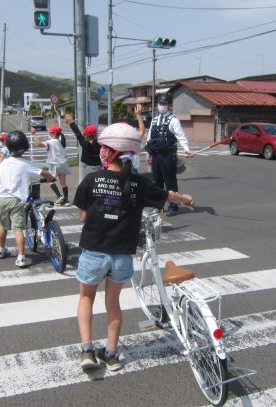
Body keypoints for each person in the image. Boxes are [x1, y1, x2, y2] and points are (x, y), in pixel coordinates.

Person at [73, 122, 194, 371]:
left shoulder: (92, 179)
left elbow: (83, 217)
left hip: (94, 251)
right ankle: (111, 354)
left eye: (105, 148)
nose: (101, 151)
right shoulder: (140, 183)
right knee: (113, 304)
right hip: (121, 256)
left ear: (112, 152)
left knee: (86, 298)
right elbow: (167, 195)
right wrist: (186, 198)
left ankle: (87, 351)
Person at [0, 130, 53, 268]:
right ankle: (21, 257)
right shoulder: (25, 163)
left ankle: (1, 250)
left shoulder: (2, 164)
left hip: (2, 198)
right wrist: (50, 176)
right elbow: (41, 173)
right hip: (16, 200)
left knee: (3, 226)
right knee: (18, 228)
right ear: (25, 147)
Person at [146, 95, 195, 216]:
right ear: (157, 104)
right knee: (157, 182)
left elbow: (181, 136)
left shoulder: (173, 119)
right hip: (156, 155)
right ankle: (158, 206)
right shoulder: (154, 120)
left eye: (164, 103)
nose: (161, 105)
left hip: (168, 156)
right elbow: (149, 138)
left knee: (170, 182)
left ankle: (173, 205)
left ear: (168, 105)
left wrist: (187, 149)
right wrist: (148, 154)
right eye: (159, 103)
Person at [31, 125, 71, 206]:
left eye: (50, 132)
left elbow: (39, 144)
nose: (49, 133)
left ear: (53, 133)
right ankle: (66, 200)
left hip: (54, 164)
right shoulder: (61, 142)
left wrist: (34, 134)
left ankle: (59, 196)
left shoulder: (51, 142)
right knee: (63, 183)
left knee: (49, 180)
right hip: (63, 164)